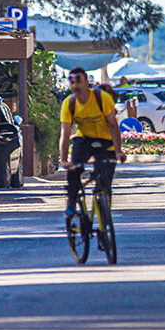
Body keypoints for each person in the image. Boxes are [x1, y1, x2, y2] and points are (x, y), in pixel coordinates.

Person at [59, 67, 126, 218]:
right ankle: (71, 200)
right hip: (85, 140)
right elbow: (65, 133)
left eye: (79, 81)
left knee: (105, 180)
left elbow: (113, 126)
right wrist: (64, 160)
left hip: (106, 140)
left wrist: (117, 151)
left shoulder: (102, 98)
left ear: (86, 83)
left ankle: (104, 215)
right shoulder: (69, 103)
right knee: (74, 168)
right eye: (72, 82)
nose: (75, 85)